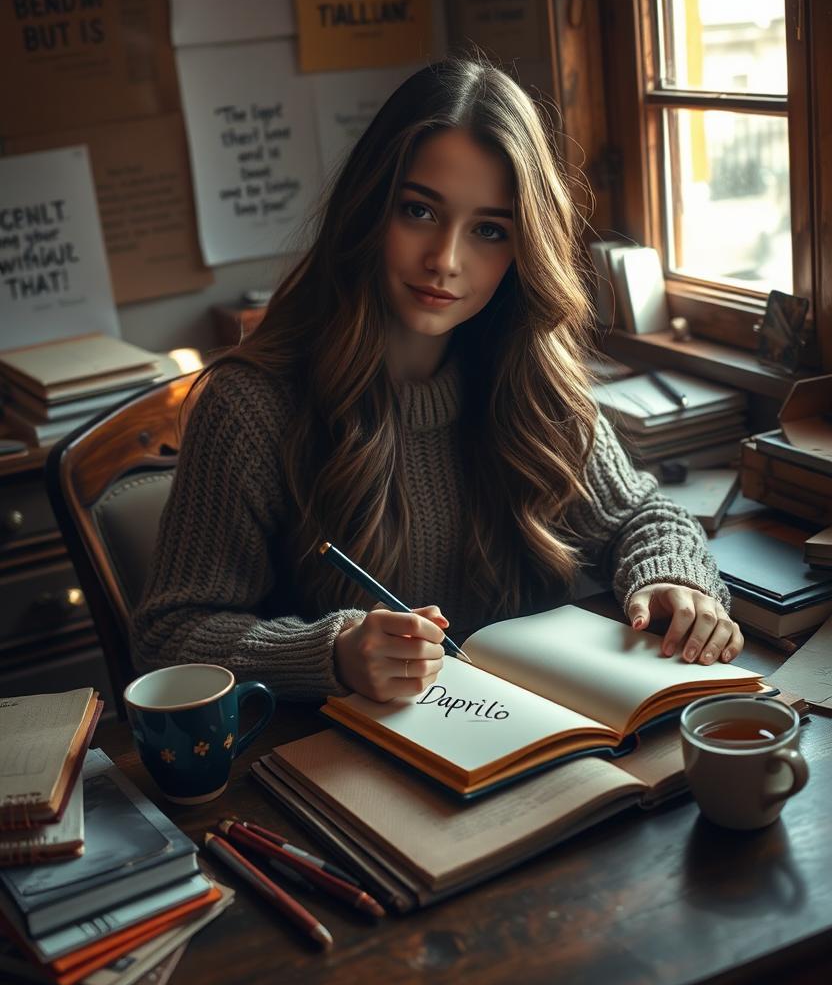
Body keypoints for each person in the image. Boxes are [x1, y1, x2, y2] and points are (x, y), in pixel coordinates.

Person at [131, 56, 742, 703]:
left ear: (522, 248)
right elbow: (170, 638)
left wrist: (674, 580)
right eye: (419, 211)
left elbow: (642, 515)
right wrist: (333, 653)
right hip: (339, 769)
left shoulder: (531, 376)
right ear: (369, 209)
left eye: (488, 230)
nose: (445, 261)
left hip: (533, 751)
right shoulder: (252, 406)